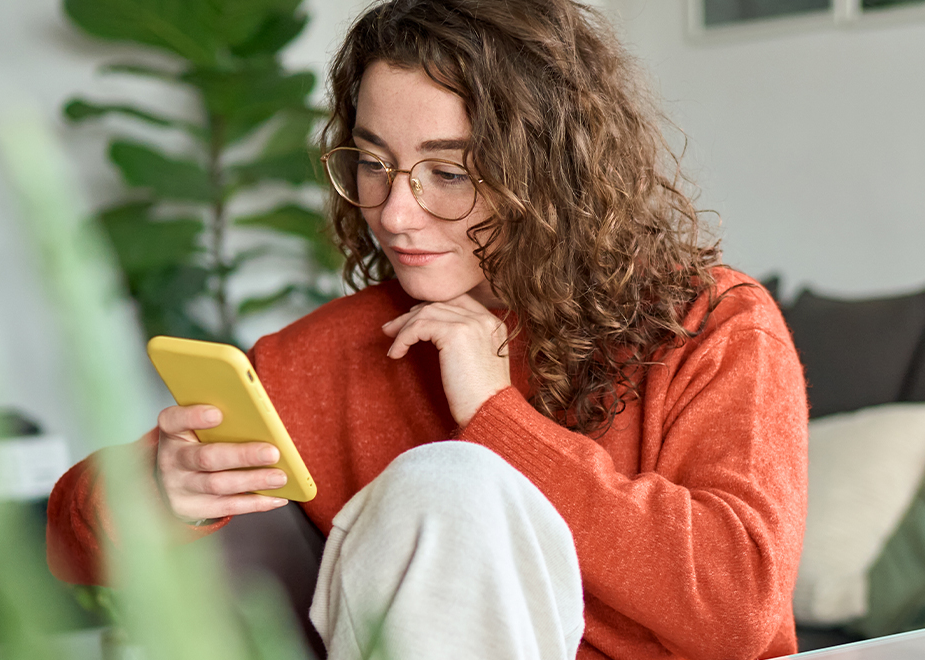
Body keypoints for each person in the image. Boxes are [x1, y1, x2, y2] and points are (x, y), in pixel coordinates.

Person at [45, 1, 809, 658]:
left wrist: (496, 419)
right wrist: (159, 491)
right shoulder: (326, 358)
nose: (394, 213)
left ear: (550, 171)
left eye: (447, 172)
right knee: (444, 483)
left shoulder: (713, 325)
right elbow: (69, 540)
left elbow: (739, 610)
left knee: (458, 479)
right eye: (373, 163)